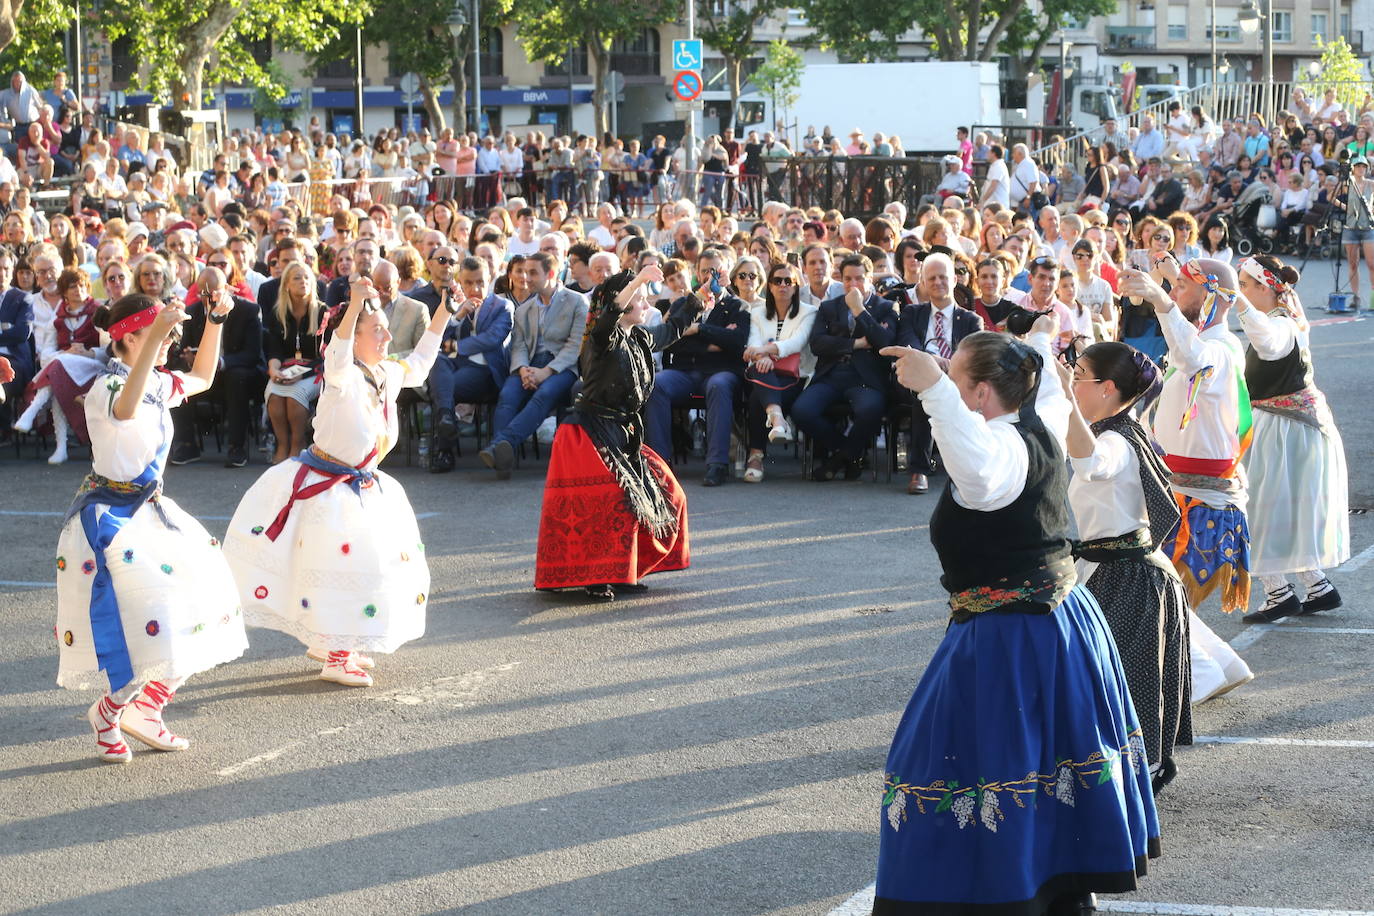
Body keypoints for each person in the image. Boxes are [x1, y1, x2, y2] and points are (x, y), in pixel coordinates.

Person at [874, 325, 1159, 914]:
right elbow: (1045, 395)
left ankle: (1004, 894)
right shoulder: (1043, 417)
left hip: (1012, 633)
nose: (950, 381)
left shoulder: (1001, 449)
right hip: (1057, 620)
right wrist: (1037, 336)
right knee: (1045, 761)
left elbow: (975, 474)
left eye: (959, 378)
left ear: (980, 394)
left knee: (974, 764)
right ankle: (1055, 893)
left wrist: (934, 391)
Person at [224, 274, 450, 687]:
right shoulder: (341, 375)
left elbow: (419, 364)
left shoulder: (385, 373)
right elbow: (338, 350)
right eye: (376, 329)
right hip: (329, 488)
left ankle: (330, 642)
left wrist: (444, 313)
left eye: (384, 327)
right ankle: (336, 654)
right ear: (354, 336)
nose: (385, 334)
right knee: (346, 568)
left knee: (367, 565)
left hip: (362, 485)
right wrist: (353, 306)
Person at [55, 292, 246, 763]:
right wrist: (159, 331)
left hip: (152, 512)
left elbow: (202, 376)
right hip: (111, 519)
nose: (167, 344)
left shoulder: (158, 382)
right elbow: (126, 408)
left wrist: (216, 320)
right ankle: (110, 709)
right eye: (157, 336)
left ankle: (148, 707)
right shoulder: (106, 388)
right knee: (145, 623)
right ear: (128, 337)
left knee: (203, 602)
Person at [1058, 342, 1193, 793]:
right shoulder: (1105, 426)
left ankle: (1139, 778)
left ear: (1107, 387)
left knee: (1130, 681)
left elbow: (1091, 464)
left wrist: (1063, 400)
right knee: (1097, 677)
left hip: (1129, 576)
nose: (1072, 383)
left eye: (1078, 376)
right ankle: (1112, 775)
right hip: (1107, 568)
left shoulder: (1114, 438)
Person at [1120, 260, 1255, 702]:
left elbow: (1192, 357)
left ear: (1213, 297)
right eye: (1173, 286)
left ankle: (1199, 673)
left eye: (1181, 286)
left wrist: (1159, 301)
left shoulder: (1218, 350)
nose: (1174, 291)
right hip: (1179, 488)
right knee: (1163, 588)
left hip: (1196, 496)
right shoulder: (1203, 342)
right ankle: (1222, 665)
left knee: (1155, 587)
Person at [535, 265, 695, 600]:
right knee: (609, 502)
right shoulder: (601, 337)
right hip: (588, 433)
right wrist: (636, 280)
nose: (645, 301)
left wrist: (699, 297)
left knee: (669, 493)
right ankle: (597, 577)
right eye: (638, 297)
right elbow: (608, 316)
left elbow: (672, 330)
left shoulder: (640, 336)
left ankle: (624, 571)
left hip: (623, 432)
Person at [1233, 256, 1350, 620]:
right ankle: (1317, 586)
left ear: (1265, 288)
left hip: (1286, 428)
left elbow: (1268, 344)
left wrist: (1234, 301)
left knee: (1261, 507)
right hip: (1291, 426)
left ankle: (1279, 592)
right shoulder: (1284, 316)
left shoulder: (1280, 324)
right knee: (1283, 507)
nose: (1241, 290)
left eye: (1246, 284)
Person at [645, 250, 749, 486]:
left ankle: (717, 464)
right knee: (656, 384)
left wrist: (699, 330)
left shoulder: (737, 306)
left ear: (725, 273)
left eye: (716, 270)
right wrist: (713, 343)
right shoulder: (684, 304)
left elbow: (736, 343)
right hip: (683, 371)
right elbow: (671, 342)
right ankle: (659, 464)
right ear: (697, 273)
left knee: (719, 385)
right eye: (705, 271)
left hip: (720, 372)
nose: (709, 276)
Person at [480, 251, 587, 478]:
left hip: (562, 367)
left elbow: (574, 346)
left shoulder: (577, 302)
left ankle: (500, 446)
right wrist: (523, 370)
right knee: (508, 395)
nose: (526, 278)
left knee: (544, 394)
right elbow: (518, 346)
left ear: (550, 273)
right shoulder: (523, 309)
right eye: (525, 272)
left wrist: (546, 372)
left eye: (532, 273)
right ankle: (503, 462)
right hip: (529, 365)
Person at [792, 253, 898, 481]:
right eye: (848, 279)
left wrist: (860, 311)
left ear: (870, 278)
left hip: (865, 378)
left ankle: (838, 460)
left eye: (859, 279)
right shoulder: (829, 307)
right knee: (802, 410)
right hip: (832, 374)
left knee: (870, 409)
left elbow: (885, 343)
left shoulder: (886, 307)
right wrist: (855, 344)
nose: (852, 284)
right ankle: (850, 454)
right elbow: (818, 344)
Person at [896, 253, 983, 495]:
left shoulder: (971, 320)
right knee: (927, 390)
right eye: (931, 278)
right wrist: (931, 361)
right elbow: (907, 344)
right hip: (917, 380)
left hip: (957, 379)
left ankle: (963, 470)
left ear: (955, 279)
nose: (937, 282)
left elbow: (972, 355)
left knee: (938, 390)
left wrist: (947, 365)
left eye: (943, 277)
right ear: (923, 282)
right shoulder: (912, 313)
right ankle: (919, 470)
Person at [167, 267, 265, 469]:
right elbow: (182, 348)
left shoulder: (248, 310)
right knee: (178, 375)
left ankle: (237, 447)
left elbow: (252, 354)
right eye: (203, 292)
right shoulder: (192, 312)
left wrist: (220, 362)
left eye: (214, 292)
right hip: (202, 375)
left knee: (236, 378)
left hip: (237, 372)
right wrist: (188, 358)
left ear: (227, 289)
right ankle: (186, 444)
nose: (209, 297)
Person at [429, 256, 514, 473]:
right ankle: (448, 419)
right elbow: (437, 339)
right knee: (437, 362)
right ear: (459, 281)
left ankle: (444, 451)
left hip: (486, 372)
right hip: (458, 366)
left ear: (490, 280)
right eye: (468, 283)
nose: (475, 288)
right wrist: (459, 315)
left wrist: (456, 346)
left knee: (443, 389)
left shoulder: (502, 306)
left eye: (480, 282)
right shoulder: (457, 305)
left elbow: (491, 339)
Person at [741, 260, 815, 483]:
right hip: (764, 372)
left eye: (788, 281)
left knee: (757, 396)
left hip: (795, 378)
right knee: (759, 380)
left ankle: (756, 457)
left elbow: (797, 342)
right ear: (770, 286)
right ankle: (778, 419)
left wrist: (764, 352)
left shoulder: (809, 312)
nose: (783, 285)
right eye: (777, 281)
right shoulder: (757, 313)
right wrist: (761, 356)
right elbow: (752, 342)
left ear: (795, 286)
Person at [262, 261, 326, 464]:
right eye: (297, 278)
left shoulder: (323, 313)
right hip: (287, 368)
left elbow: (326, 354)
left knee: (295, 394)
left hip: (316, 370)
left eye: (307, 277)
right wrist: (273, 368)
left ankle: (297, 444)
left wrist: (304, 373)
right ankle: (283, 443)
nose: (303, 281)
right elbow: (274, 349)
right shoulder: (277, 313)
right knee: (273, 391)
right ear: (286, 285)